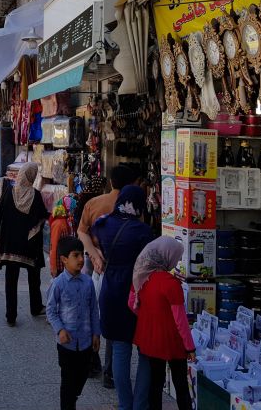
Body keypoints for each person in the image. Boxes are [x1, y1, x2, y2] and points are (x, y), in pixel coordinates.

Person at [91, 185, 154, 409]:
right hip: (137, 295)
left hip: (111, 291)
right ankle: (140, 404)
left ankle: (125, 404)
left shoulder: (103, 224)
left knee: (119, 348)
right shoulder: (143, 232)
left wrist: (98, 257)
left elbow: (91, 238)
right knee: (146, 350)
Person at [78, 166, 138, 383]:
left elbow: (81, 231)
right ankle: (110, 371)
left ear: (111, 182)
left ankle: (91, 360)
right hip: (120, 270)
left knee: (93, 312)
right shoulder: (132, 207)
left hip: (96, 265)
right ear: (131, 183)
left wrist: (94, 255)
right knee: (116, 318)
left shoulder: (93, 203)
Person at [129, 237, 195, 410]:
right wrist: (190, 347)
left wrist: (150, 316)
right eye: (177, 256)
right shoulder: (171, 284)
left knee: (155, 384)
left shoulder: (141, 277)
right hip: (172, 342)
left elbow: (132, 304)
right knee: (181, 385)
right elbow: (180, 321)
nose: (177, 261)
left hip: (150, 339)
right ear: (167, 256)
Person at [46, 236, 101, 410]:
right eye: (75, 255)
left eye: (81, 255)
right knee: (68, 381)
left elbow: (93, 309)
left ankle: (72, 396)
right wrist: (60, 330)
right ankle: (68, 403)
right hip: (66, 344)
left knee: (83, 375)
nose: (80, 259)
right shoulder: (58, 284)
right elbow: (51, 310)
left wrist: (96, 333)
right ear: (63, 259)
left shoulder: (88, 282)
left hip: (85, 342)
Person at [0, 162, 48, 326]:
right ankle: (35, 306)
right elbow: (42, 217)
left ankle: (11, 315)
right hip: (29, 245)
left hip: (10, 245)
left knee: (11, 280)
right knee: (34, 276)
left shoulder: (9, 192)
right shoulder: (35, 195)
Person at [49, 198, 74, 277]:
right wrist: (53, 267)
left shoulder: (64, 222)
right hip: (59, 264)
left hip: (63, 263)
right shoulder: (59, 224)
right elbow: (54, 245)